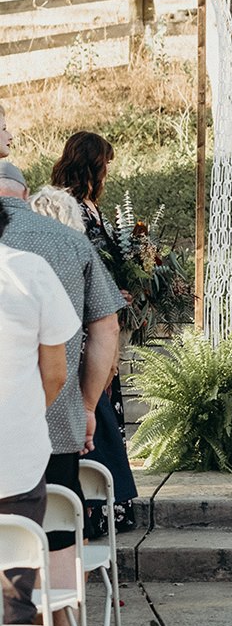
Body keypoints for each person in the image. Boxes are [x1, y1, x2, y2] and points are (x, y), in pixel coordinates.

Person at [0, 160, 122, 626]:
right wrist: (85, 405)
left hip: (23, 436)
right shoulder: (66, 242)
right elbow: (106, 328)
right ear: (24, 194)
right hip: (41, 435)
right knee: (47, 543)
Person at [51, 131, 138, 537]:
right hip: (85, 327)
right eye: (105, 162)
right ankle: (94, 510)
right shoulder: (67, 209)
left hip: (103, 318)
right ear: (91, 162)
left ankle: (110, 505)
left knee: (106, 416)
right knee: (94, 415)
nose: (108, 171)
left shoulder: (94, 209)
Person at [0, 197, 79, 626]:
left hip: (19, 455)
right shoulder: (29, 271)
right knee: (18, 601)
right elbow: (55, 372)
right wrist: (23, 413)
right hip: (16, 460)